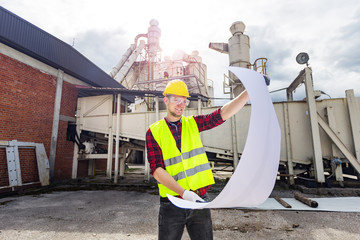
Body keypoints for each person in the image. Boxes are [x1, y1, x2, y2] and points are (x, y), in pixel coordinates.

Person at [146, 79, 249, 240]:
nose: (181, 104)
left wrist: (249, 91)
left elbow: (222, 114)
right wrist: (184, 193)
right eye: (176, 100)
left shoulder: (192, 124)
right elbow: (157, 170)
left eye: (184, 101)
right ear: (166, 100)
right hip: (171, 204)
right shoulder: (154, 131)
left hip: (199, 200)